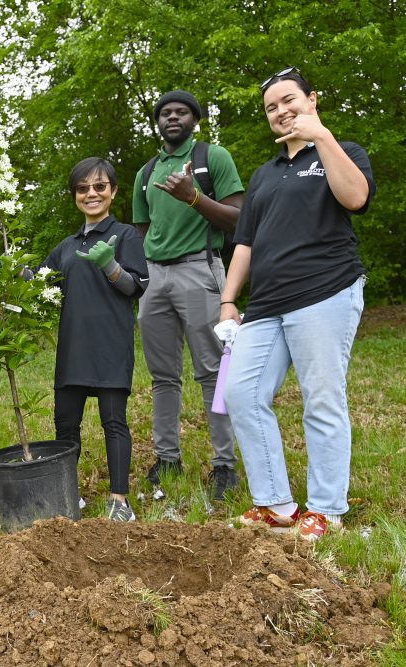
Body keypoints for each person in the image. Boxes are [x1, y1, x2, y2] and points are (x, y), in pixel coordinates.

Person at [221, 67, 374, 541]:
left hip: (325, 290)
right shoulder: (264, 175)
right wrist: (228, 300)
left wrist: (321, 137)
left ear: (312, 100)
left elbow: (355, 197)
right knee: (241, 394)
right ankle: (276, 505)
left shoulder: (343, 151)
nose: (281, 111)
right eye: (271, 107)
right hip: (266, 303)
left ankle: (326, 510)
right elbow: (245, 242)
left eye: (289, 101)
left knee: (321, 398)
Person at [131, 89, 245, 501]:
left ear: (195, 120)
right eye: (165, 113)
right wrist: (150, 270)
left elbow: (238, 219)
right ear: (157, 122)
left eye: (181, 112)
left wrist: (193, 197)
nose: (172, 117)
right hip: (156, 278)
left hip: (201, 269)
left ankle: (224, 466)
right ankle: (167, 458)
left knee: (213, 373)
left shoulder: (212, 159)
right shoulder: (146, 172)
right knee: (163, 376)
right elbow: (143, 231)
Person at [42, 158, 149, 521]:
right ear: (75, 195)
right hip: (73, 346)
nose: (92, 193)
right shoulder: (67, 246)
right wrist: (1, 267)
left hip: (110, 345)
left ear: (113, 191)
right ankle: (69, 495)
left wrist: (110, 266)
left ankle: (120, 501)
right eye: (83, 188)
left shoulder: (126, 235)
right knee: (65, 423)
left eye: (99, 186)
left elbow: (135, 287)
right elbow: (41, 285)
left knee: (113, 421)